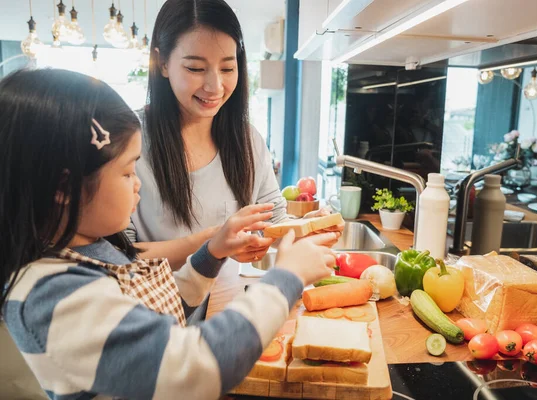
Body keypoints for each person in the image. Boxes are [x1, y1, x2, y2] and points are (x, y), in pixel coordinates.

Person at [0, 69, 336, 400]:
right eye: (127, 171)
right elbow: (196, 367)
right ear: (64, 187)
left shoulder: (91, 250)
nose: (138, 184)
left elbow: (158, 312)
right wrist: (287, 277)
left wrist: (212, 252)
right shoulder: (52, 297)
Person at [128, 0, 342, 268]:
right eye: (195, 68)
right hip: (158, 308)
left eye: (228, 68)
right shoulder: (128, 140)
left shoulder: (248, 140)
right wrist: (212, 244)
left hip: (228, 303)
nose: (215, 86)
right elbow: (114, 257)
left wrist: (308, 228)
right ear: (162, 63)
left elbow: (273, 222)